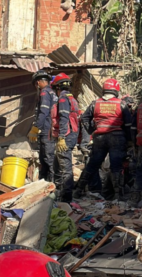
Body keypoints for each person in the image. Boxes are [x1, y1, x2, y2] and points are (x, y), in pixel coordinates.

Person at [74, 78, 132, 200]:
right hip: (117, 138)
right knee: (116, 166)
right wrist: (129, 140)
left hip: (99, 138)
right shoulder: (121, 104)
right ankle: (118, 196)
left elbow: (84, 118)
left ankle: (78, 191)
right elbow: (128, 124)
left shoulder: (95, 103)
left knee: (92, 165)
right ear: (116, 90)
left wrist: (92, 131)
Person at [50, 73, 79, 202]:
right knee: (58, 165)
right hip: (72, 134)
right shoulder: (72, 98)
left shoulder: (62, 99)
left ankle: (66, 199)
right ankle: (57, 193)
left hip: (66, 135)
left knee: (65, 168)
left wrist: (61, 137)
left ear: (57, 87)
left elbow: (63, 118)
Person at [27, 70, 57, 182]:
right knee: (45, 157)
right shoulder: (53, 93)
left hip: (46, 129)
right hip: (51, 128)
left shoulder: (44, 93)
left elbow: (43, 112)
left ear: (39, 82)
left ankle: (52, 183)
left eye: (36, 84)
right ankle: (44, 181)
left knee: (47, 157)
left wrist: (36, 128)